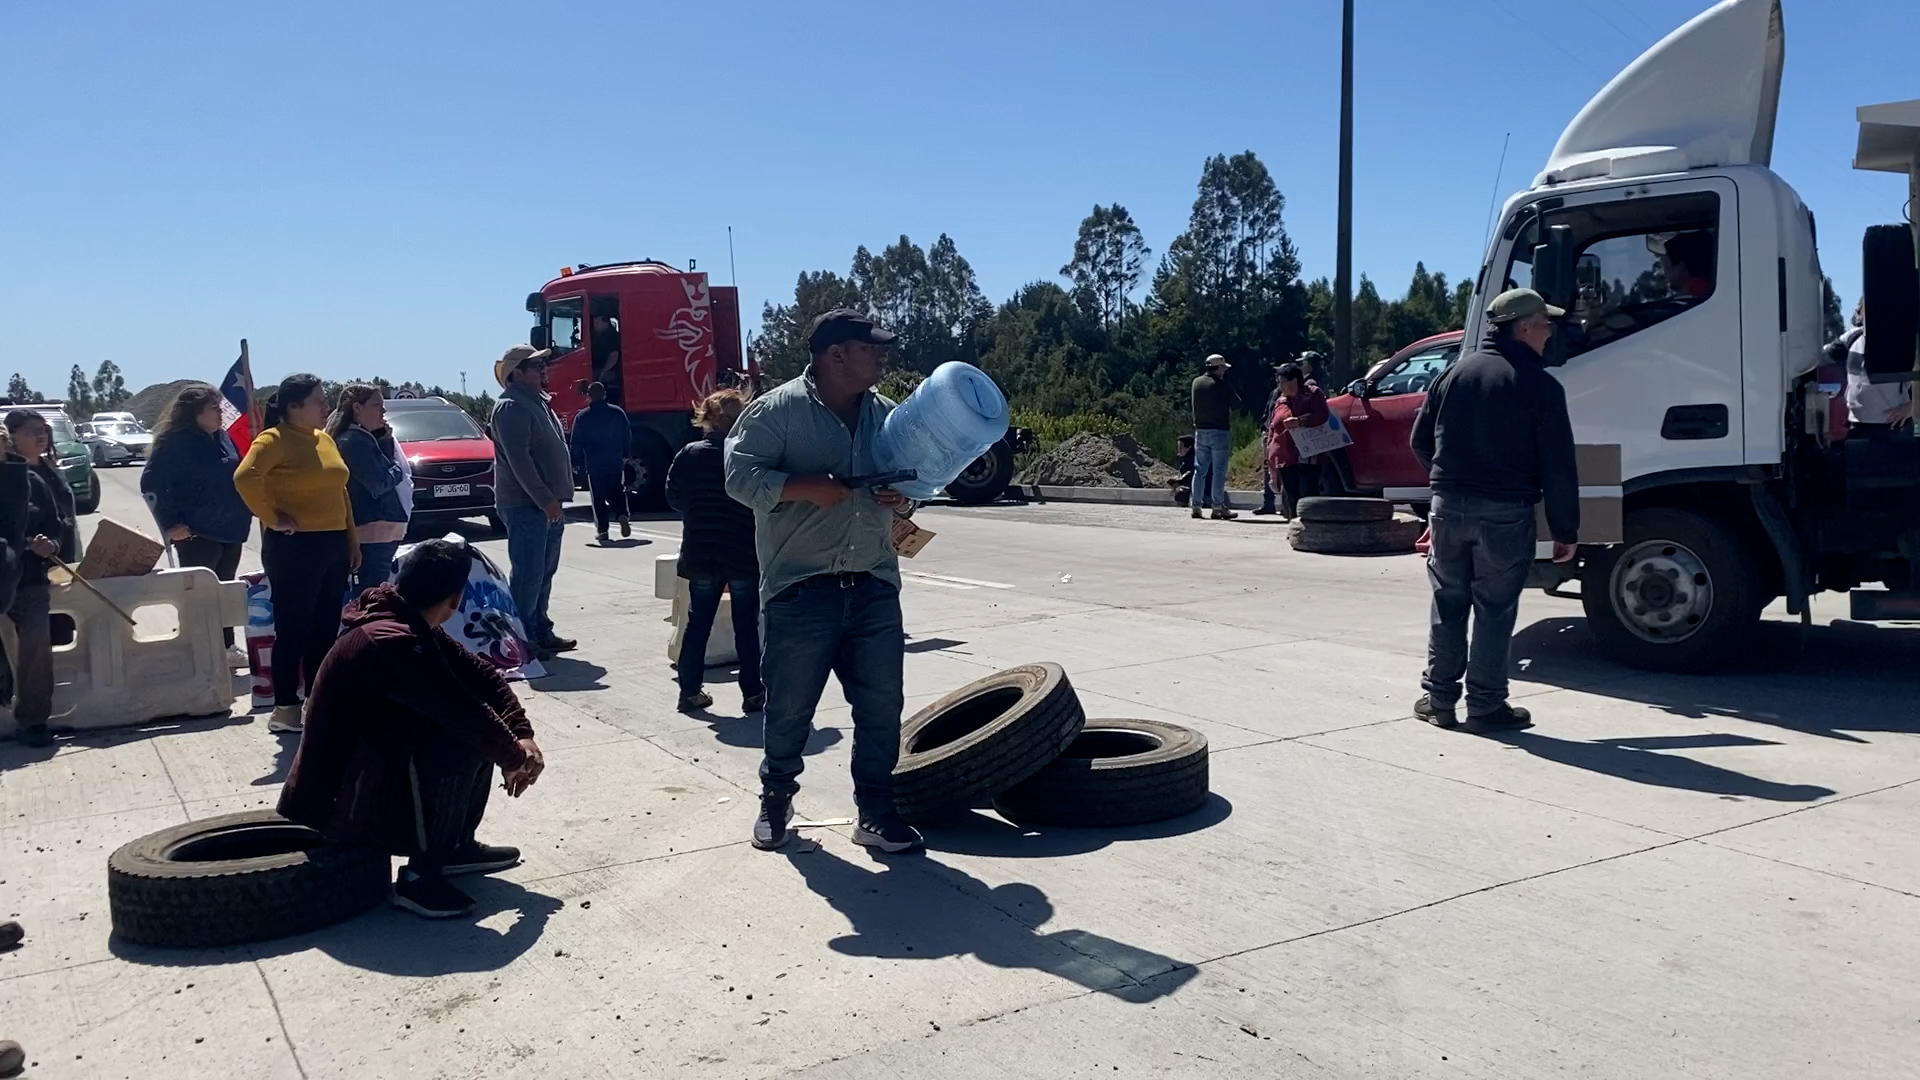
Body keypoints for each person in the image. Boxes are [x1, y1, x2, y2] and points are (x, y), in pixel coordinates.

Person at [724, 309, 922, 855]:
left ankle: (877, 813)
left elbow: (912, 483)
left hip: (874, 584)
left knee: (882, 708)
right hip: (801, 588)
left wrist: (901, 499)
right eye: (871, 347)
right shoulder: (776, 411)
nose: (882, 356)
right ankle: (776, 799)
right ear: (836, 355)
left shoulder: (886, 416)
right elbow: (738, 475)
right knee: (790, 709)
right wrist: (804, 486)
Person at [278, 540, 546, 919]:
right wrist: (516, 757)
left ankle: (454, 847)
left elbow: (483, 676)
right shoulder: (390, 640)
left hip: (364, 772)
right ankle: (420, 877)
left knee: (482, 734)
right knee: (466, 742)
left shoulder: (402, 616)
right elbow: (461, 710)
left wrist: (522, 736)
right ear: (455, 600)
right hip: (336, 802)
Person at [1410, 288, 1578, 733]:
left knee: (1448, 601)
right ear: (1524, 328)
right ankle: (1485, 706)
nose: (1550, 331)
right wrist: (1565, 528)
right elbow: (1559, 465)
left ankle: (1439, 699)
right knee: (1495, 607)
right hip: (1505, 512)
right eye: (1546, 323)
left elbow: (1420, 442)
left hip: (1447, 508)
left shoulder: (1453, 375)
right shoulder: (1541, 385)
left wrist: (1450, 484)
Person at [233, 374, 360, 735]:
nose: (325, 407)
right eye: (318, 401)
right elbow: (245, 477)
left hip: (332, 544)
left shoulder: (324, 440)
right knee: (294, 629)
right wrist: (273, 517)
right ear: (293, 407)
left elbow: (341, 493)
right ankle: (285, 708)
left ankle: (318, 701)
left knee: (324, 628)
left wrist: (351, 541)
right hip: (294, 548)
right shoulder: (274, 439)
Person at [666, 389, 763, 714]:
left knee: (697, 624)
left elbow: (673, 496)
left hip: (701, 550)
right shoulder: (747, 454)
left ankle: (689, 692)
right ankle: (753, 694)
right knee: (747, 625)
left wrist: (698, 513)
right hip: (742, 551)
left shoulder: (688, 453)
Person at [141, 384, 253, 656]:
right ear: (194, 413)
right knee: (201, 596)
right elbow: (151, 483)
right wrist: (169, 524)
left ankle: (225, 647)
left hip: (231, 529)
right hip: (197, 533)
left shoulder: (223, 438)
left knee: (224, 593)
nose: (220, 413)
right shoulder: (174, 442)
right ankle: (200, 650)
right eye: (213, 408)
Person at [490, 344, 576, 660]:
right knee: (528, 574)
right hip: (527, 506)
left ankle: (539, 630)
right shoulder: (511, 407)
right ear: (516, 373)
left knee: (543, 572)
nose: (543, 370)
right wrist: (544, 500)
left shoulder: (536, 403)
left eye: (542, 364)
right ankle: (521, 639)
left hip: (545, 505)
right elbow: (519, 461)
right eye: (535, 365)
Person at [4, 411, 77, 748]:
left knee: (36, 649)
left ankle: (33, 720)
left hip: (29, 581)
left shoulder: (31, 480)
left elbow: (57, 525)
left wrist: (51, 544)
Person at [329, 384, 409, 589]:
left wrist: (384, 440)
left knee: (374, 591)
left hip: (375, 530)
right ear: (357, 408)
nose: (383, 411)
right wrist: (399, 469)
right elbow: (379, 482)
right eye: (376, 405)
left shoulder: (359, 437)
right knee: (373, 595)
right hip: (372, 531)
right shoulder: (354, 440)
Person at [1265, 362, 1333, 514]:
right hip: (1286, 458)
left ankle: (1311, 530)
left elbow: (1322, 415)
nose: (1280, 386)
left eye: (1282, 382)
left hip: (1308, 456)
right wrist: (1270, 451)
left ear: (1294, 381)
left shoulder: (1312, 394)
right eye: (1279, 382)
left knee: (1308, 497)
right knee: (1291, 497)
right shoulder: (1281, 401)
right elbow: (1273, 427)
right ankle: (1296, 530)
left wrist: (1301, 421)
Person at [570, 381, 632, 543]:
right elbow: (627, 434)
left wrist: (575, 461)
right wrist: (626, 454)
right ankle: (622, 514)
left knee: (598, 497)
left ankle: (603, 531)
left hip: (594, 463)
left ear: (589, 396)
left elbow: (576, 441)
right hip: (614, 460)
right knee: (618, 490)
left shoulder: (582, 417)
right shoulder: (617, 413)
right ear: (604, 394)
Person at [1839, 302, 1914, 435]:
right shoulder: (1851, 338)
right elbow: (1818, 358)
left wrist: (1912, 407)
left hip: (1894, 428)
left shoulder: (1904, 341)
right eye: (1864, 310)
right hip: (1856, 427)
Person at [1190, 353, 1237, 520]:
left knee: (1199, 470)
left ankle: (1196, 505)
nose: (1224, 371)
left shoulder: (1196, 382)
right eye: (1223, 368)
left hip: (1200, 431)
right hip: (1219, 431)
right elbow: (1236, 403)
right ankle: (1217, 507)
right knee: (1218, 471)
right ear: (1218, 368)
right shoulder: (1221, 384)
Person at [1661, 231, 1715, 301]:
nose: (1664, 273)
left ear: (1681, 267)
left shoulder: (1694, 299)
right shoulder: (1710, 290)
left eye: (1667, 267)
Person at [591, 313, 623, 402]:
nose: (594, 326)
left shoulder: (611, 336)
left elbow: (614, 356)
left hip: (612, 371)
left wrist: (602, 373)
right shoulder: (600, 336)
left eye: (596, 323)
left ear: (605, 322)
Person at [1170, 434, 1195, 508]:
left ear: (1189, 447)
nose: (1179, 450)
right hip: (1188, 485)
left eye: (1181, 447)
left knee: (1181, 493)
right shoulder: (1182, 458)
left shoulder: (1193, 459)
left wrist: (1179, 482)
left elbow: (1191, 473)